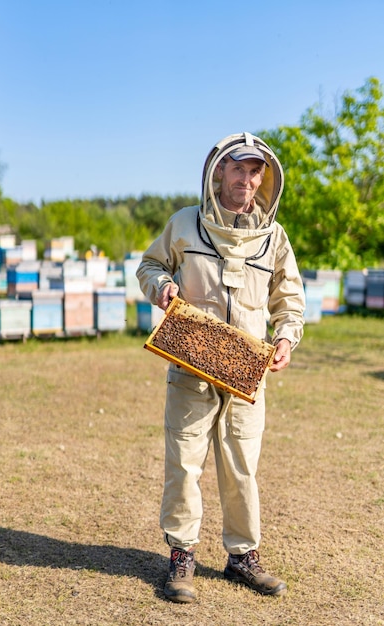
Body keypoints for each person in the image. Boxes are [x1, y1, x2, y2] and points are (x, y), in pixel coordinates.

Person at [136, 132, 305, 603]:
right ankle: (181, 556)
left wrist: (287, 337)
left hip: (245, 373)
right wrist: (164, 287)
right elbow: (149, 267)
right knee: (185, 463)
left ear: (263, 179)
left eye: (255, 172)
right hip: (190, 369)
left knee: (242, 467)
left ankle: (242, 557)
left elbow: (289, 300)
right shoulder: (185, 225)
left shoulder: (274, 238)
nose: (246, 180)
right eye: (238, 169)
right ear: (219, 172)